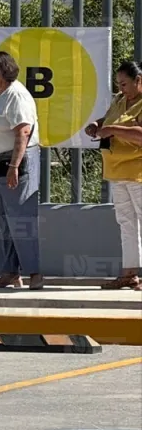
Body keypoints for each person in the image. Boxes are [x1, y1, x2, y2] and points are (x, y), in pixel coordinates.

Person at [0, 50, 42, 290]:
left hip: (15, 162)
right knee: (3, 221)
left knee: (21, 219)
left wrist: (14, 165)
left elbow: (23, 131)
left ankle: (34, 272)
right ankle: (9, 272)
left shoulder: (16, 94)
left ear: (6, 69)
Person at [85, 60, 142, 291]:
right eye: (118, 84)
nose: (121, 89)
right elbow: (108, 119)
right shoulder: (119, 100)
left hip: (138, 172)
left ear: (139, 81)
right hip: (117, 171)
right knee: (126, 223)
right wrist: (97, 124)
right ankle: (129, 273)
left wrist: (112, 130)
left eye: (125, 84)